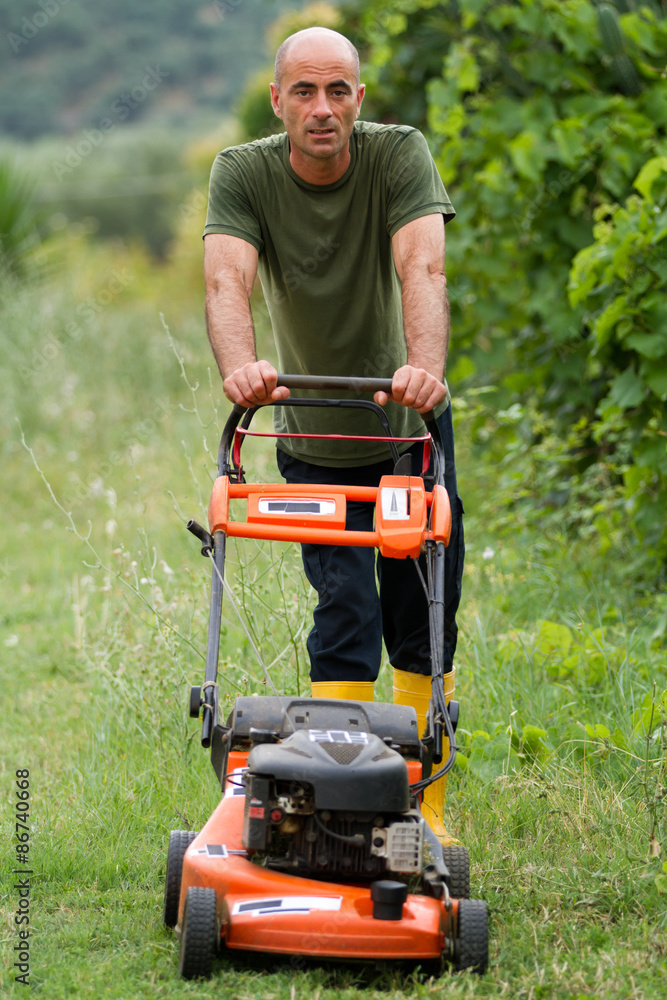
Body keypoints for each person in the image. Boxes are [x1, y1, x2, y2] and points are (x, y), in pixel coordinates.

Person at [203, 26, 463, 842]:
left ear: (359, 98)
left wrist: (423, 368)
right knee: (344, 612)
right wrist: (243, 365)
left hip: (407, 428)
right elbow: (225, 276)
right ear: (278, 100)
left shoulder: (397, 156)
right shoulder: (243, 172)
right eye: (305, 92)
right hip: (313, 429)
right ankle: (346, 809)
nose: (323, 109)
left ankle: (423, 813)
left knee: (422, 611)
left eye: (338, 91)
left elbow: (421, 265)